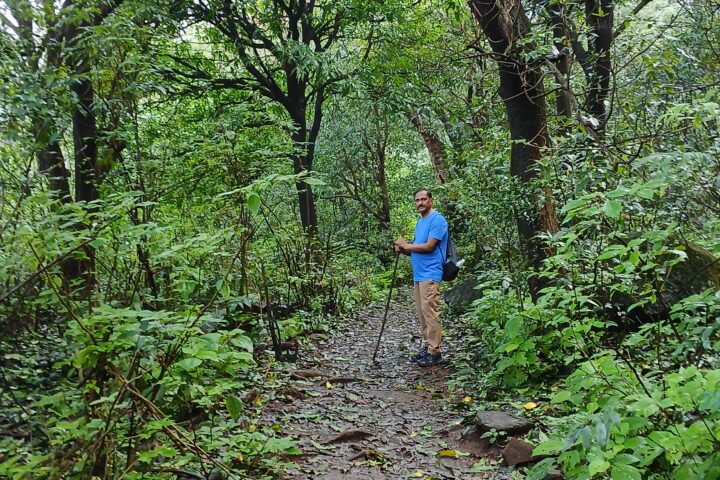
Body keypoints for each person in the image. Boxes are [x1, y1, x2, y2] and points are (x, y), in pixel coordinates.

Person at [394, 188, 448, 367]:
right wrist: (403, 250)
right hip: (419, 274)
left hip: (430, 274)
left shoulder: (437, 220)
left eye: (423, 199)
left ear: (431, 200)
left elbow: (429, 247)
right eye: (417, 200)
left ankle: (435, 352)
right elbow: (417, 250)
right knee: (422, 314)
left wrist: (406, 245)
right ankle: (428, 346)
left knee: (430, 313)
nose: (420, 203)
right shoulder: (420, 222)